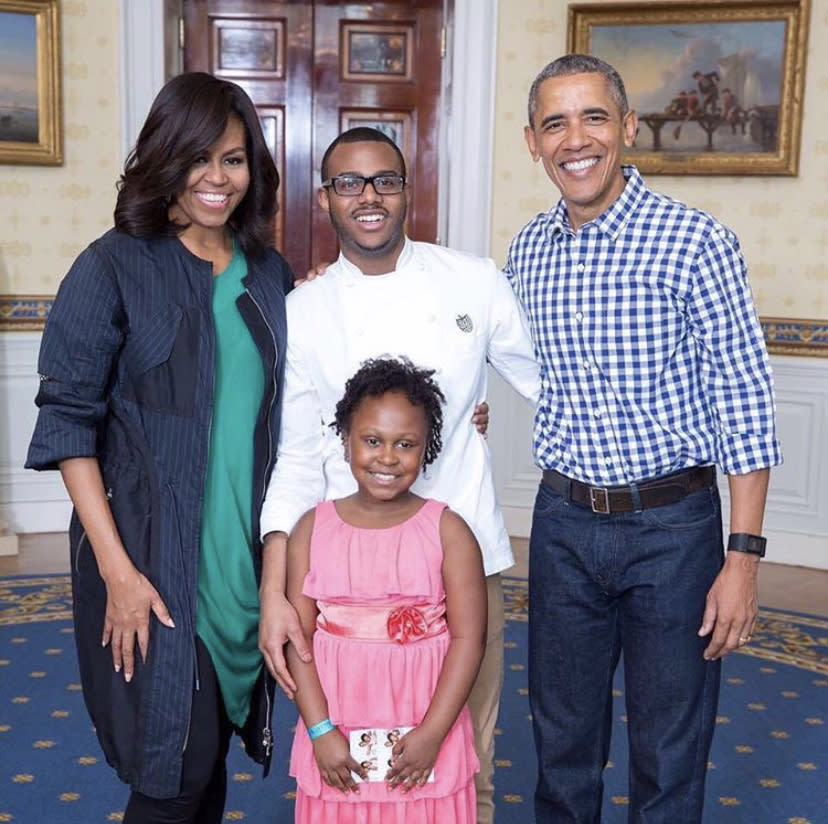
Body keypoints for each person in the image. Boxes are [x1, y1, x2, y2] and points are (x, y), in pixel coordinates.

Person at [506, 54, 782, 822]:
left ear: (627, 127)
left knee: (668, 751)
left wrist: (744, 562)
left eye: (593, 117)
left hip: (674, 531)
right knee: (560, 745)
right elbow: (488, 349)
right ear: (533, 141)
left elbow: (745, 404)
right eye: (555, 123)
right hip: (562, 526)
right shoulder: (527, 253)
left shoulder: (696, 242)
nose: (576, 139)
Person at [25, 72, 293, 823]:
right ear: (162, 159)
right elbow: (69, 425)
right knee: (171, 770)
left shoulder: (270, 275)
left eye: (235, 159)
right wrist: (117, 572)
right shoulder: (110, 265)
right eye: (197, 157)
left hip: (240, 557)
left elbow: (303, 405)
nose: (217, 177)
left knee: (204, 768)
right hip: (148, 558)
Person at [257, 126, 540, 823]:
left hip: (461, 568)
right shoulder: (303, 310)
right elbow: (294, 455)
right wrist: (274, 588)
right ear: (325, 197)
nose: (369, 197)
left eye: (384, 179)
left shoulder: (474, 278)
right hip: (341, 580)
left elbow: (553, 385)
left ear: (408, 188)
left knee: (464, 766)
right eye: (349, 183)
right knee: (350, 779)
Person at [285, 356, 486, 822]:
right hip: (337, 721)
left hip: (425, 723)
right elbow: (299, 641)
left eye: (406, 444)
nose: (388, 458)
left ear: (427, 447)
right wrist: (319, 730)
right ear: (346, 438)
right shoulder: (311, 529)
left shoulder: (450, 531)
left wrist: (433, 734)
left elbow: (468, 640)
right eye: (372, 441)